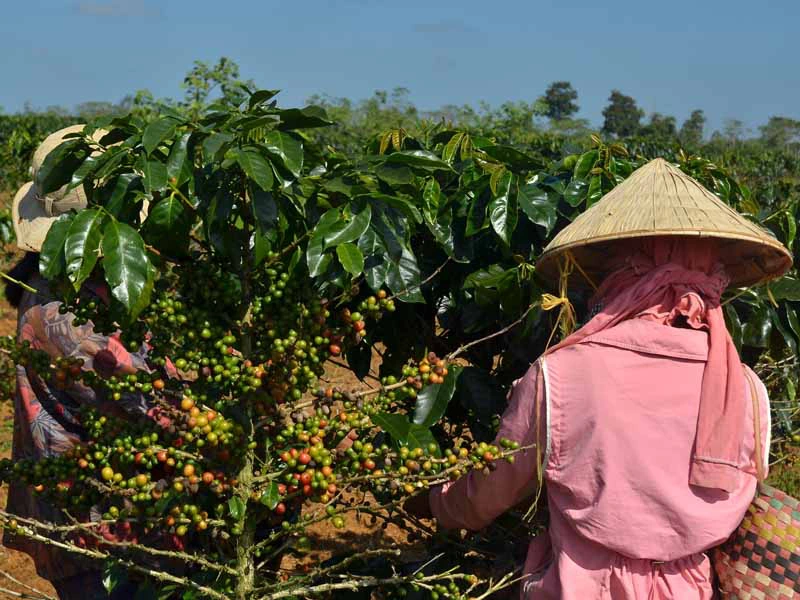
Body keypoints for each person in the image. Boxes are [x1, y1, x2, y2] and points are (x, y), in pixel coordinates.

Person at [406, 158, 792, 599]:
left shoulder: (563, 374)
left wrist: (437, 502)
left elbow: (492, 488)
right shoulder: (743, 388)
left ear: (617, 277)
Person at [3, 126, 144, 599]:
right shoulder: (65, 316)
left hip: (92, 522)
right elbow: (149, 400)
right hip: (98, 533)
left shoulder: (70, 286)